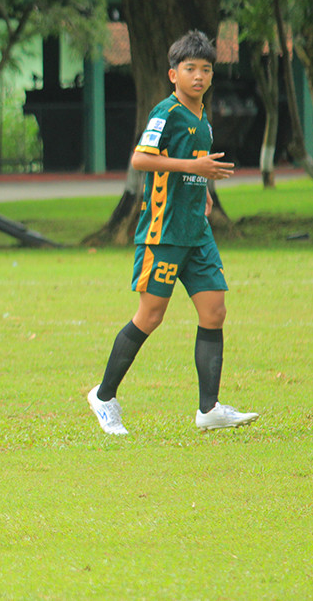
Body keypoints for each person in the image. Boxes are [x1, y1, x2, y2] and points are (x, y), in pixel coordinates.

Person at [88, 30, 259, 435]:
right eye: (190, 69)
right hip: (163, 232)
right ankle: (104, 397)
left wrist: (204, 193)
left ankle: (209, 409)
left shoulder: (203, 119)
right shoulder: (165, 113)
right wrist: (193, 168)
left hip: (196, 232)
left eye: (206, 69)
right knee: (151, 315)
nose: (198, 76)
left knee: (214, 311)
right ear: (173, 74)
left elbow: (197, 163)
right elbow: (141, 159)